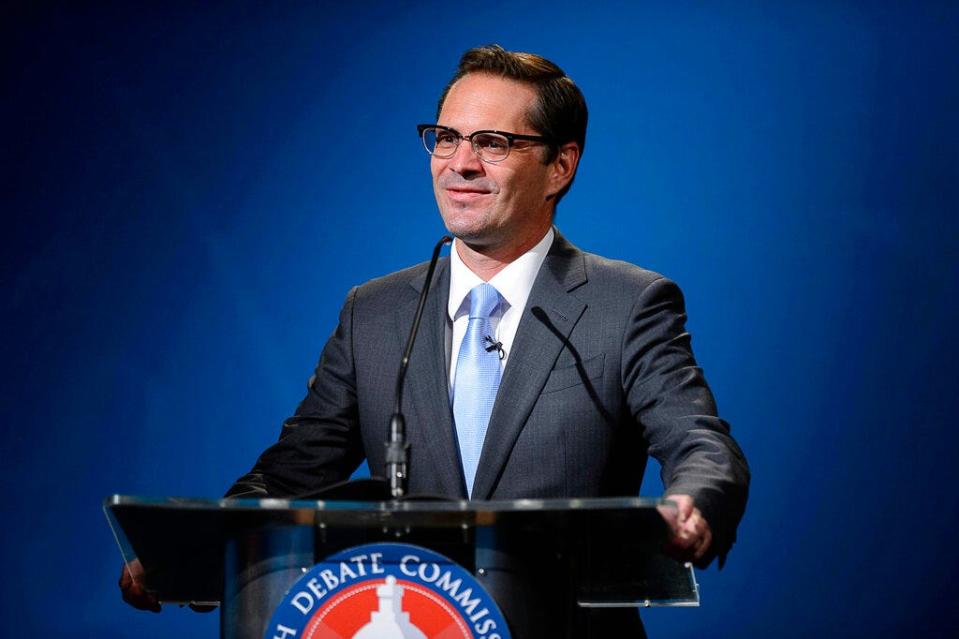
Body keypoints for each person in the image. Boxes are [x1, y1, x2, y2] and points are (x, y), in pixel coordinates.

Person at [121, 45, 749, 635]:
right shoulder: (376, 312)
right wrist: (197, 552)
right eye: (445, 138)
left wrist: (692, 505)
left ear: (560, 165)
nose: (461, 163)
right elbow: (291, 473)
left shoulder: (626, 304)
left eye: (493, 143)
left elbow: (701, 444)